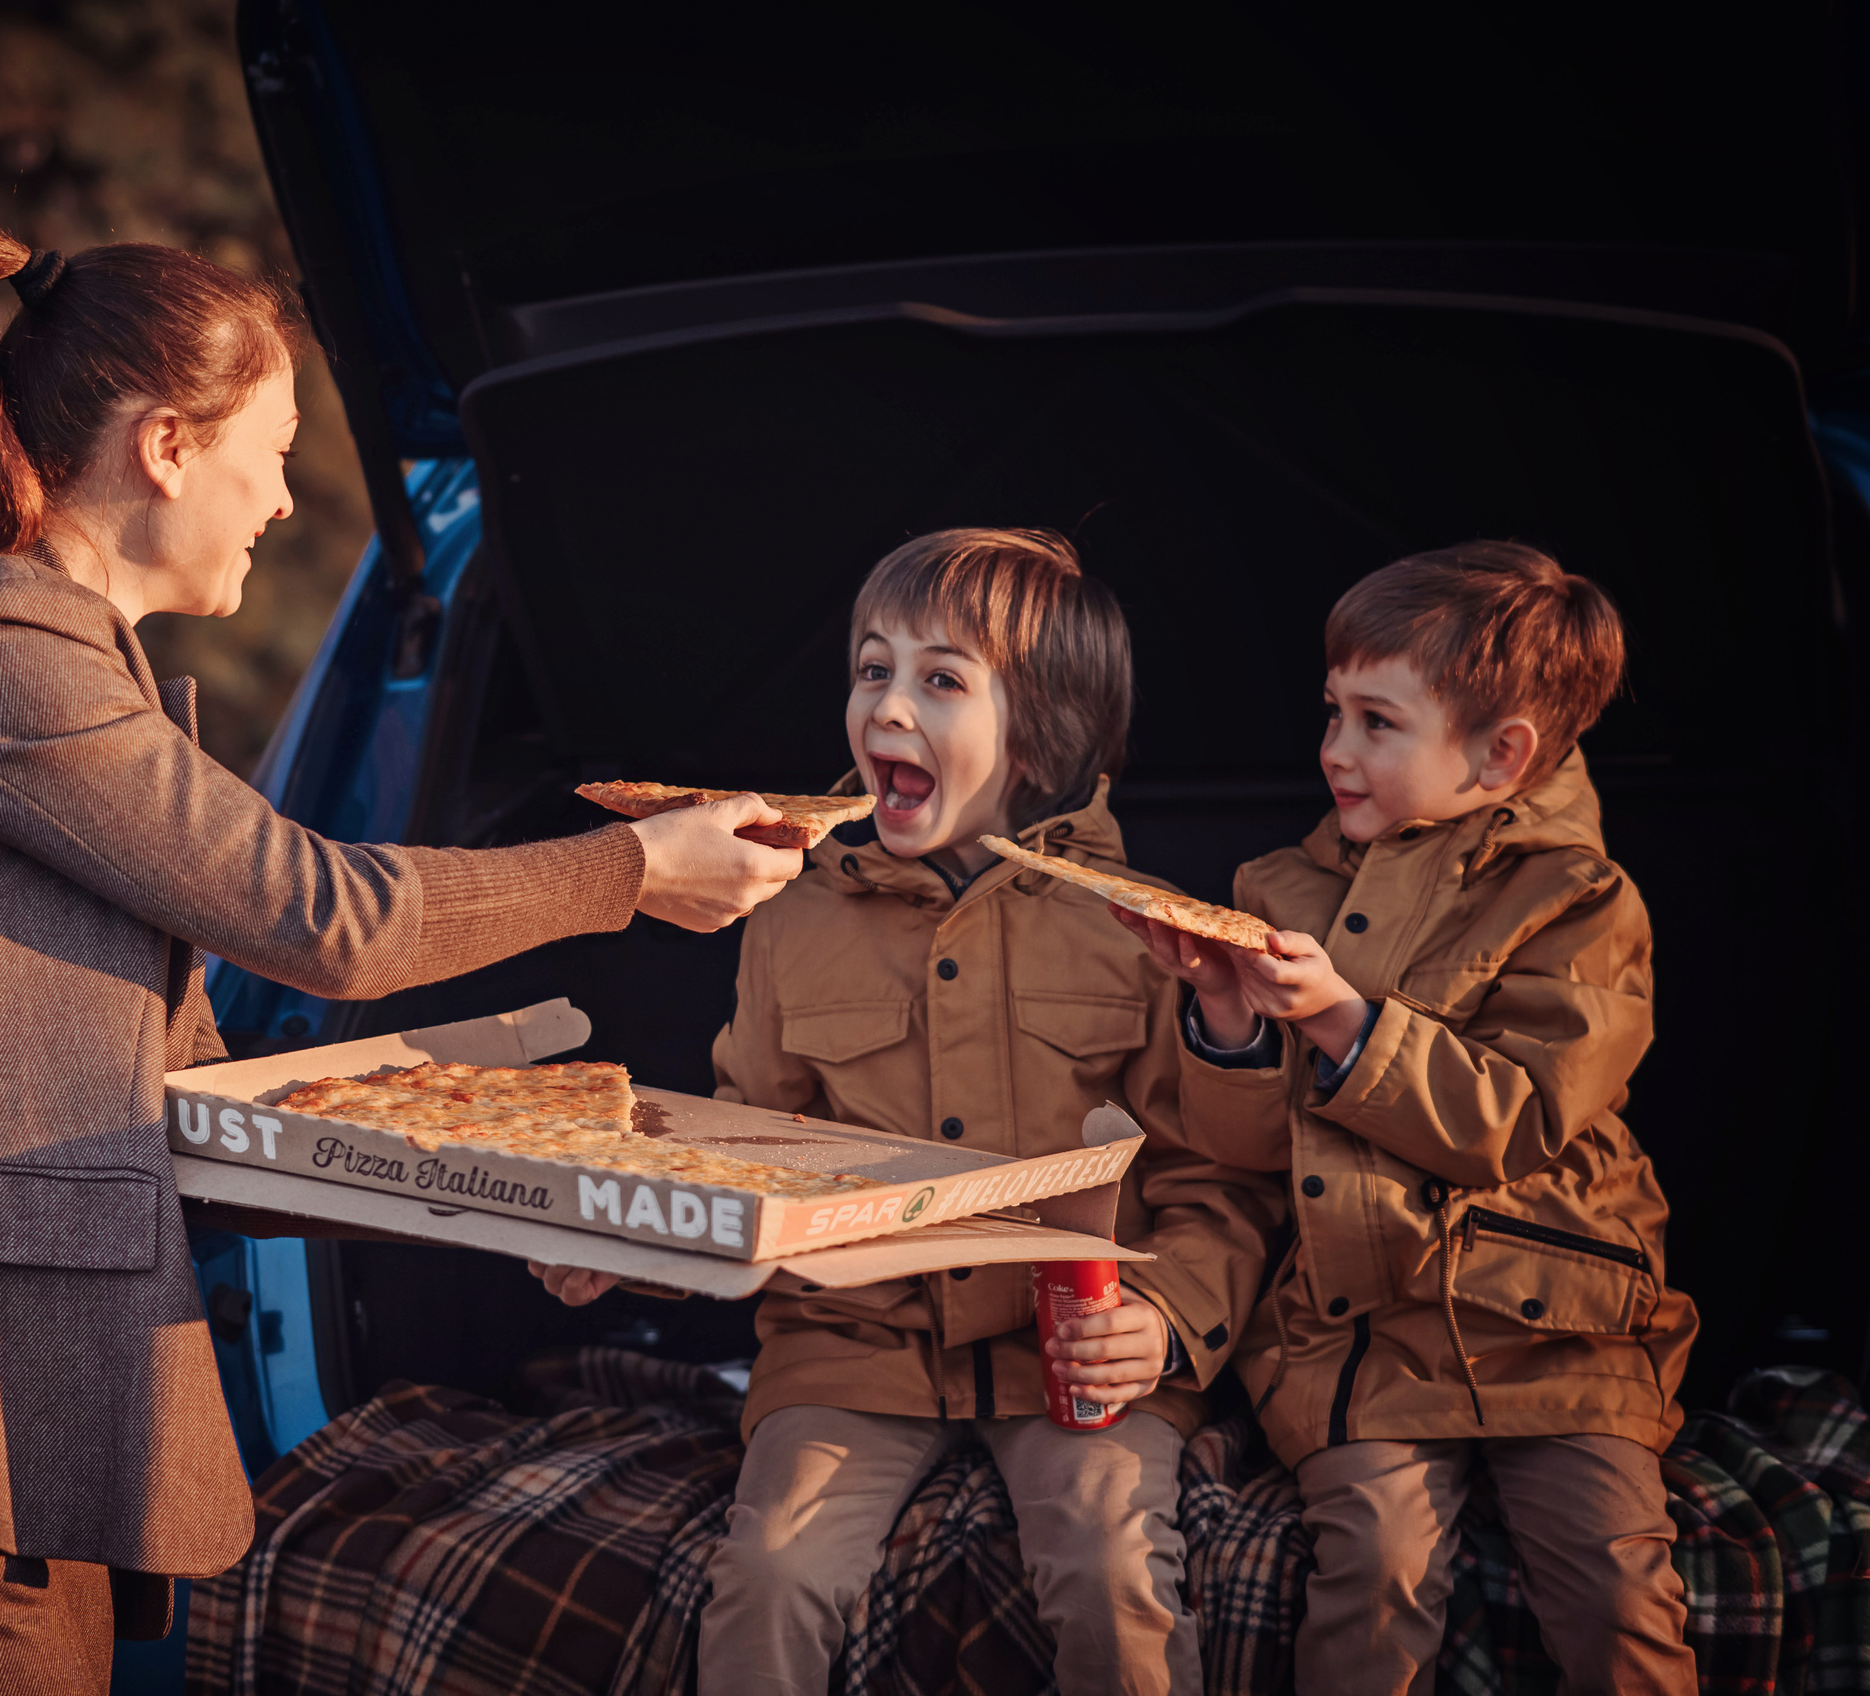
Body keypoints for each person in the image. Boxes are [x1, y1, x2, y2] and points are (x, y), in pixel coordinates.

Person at [0, 224, 801, 1696]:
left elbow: (207, 1110)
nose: (282, 497)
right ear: (169, 445)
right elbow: (323, 917)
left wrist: (525, 1196)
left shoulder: (54, 663)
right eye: (269, 450)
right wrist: (638, 871)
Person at [538, 530, 1283, 1695]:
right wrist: (629, 1250)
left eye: (940, 679)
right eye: (871, 667)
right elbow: (749, 1154)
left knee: (1113, 1569)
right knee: (770, 1577)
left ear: (1039, 731)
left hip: (1071, 1352)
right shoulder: (789, 918)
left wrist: (1167, 1318)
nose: (886, 705)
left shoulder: (1142, 931)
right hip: (851, 1350)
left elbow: (1214, 1177)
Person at [1115, 541, 1699, 1695]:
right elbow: (1239, 1158)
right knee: (1371, 1579)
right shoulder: (1276, 890)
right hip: (1359, 1338)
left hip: (1556, 1323)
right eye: (1330, 711)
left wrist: (1344, 1020)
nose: (1333, 749)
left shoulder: (1579, 900)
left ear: (1501, 754)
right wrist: (1227, 1022)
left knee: (1615, 1585)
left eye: (1376, 722)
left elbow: (1517, 1115)